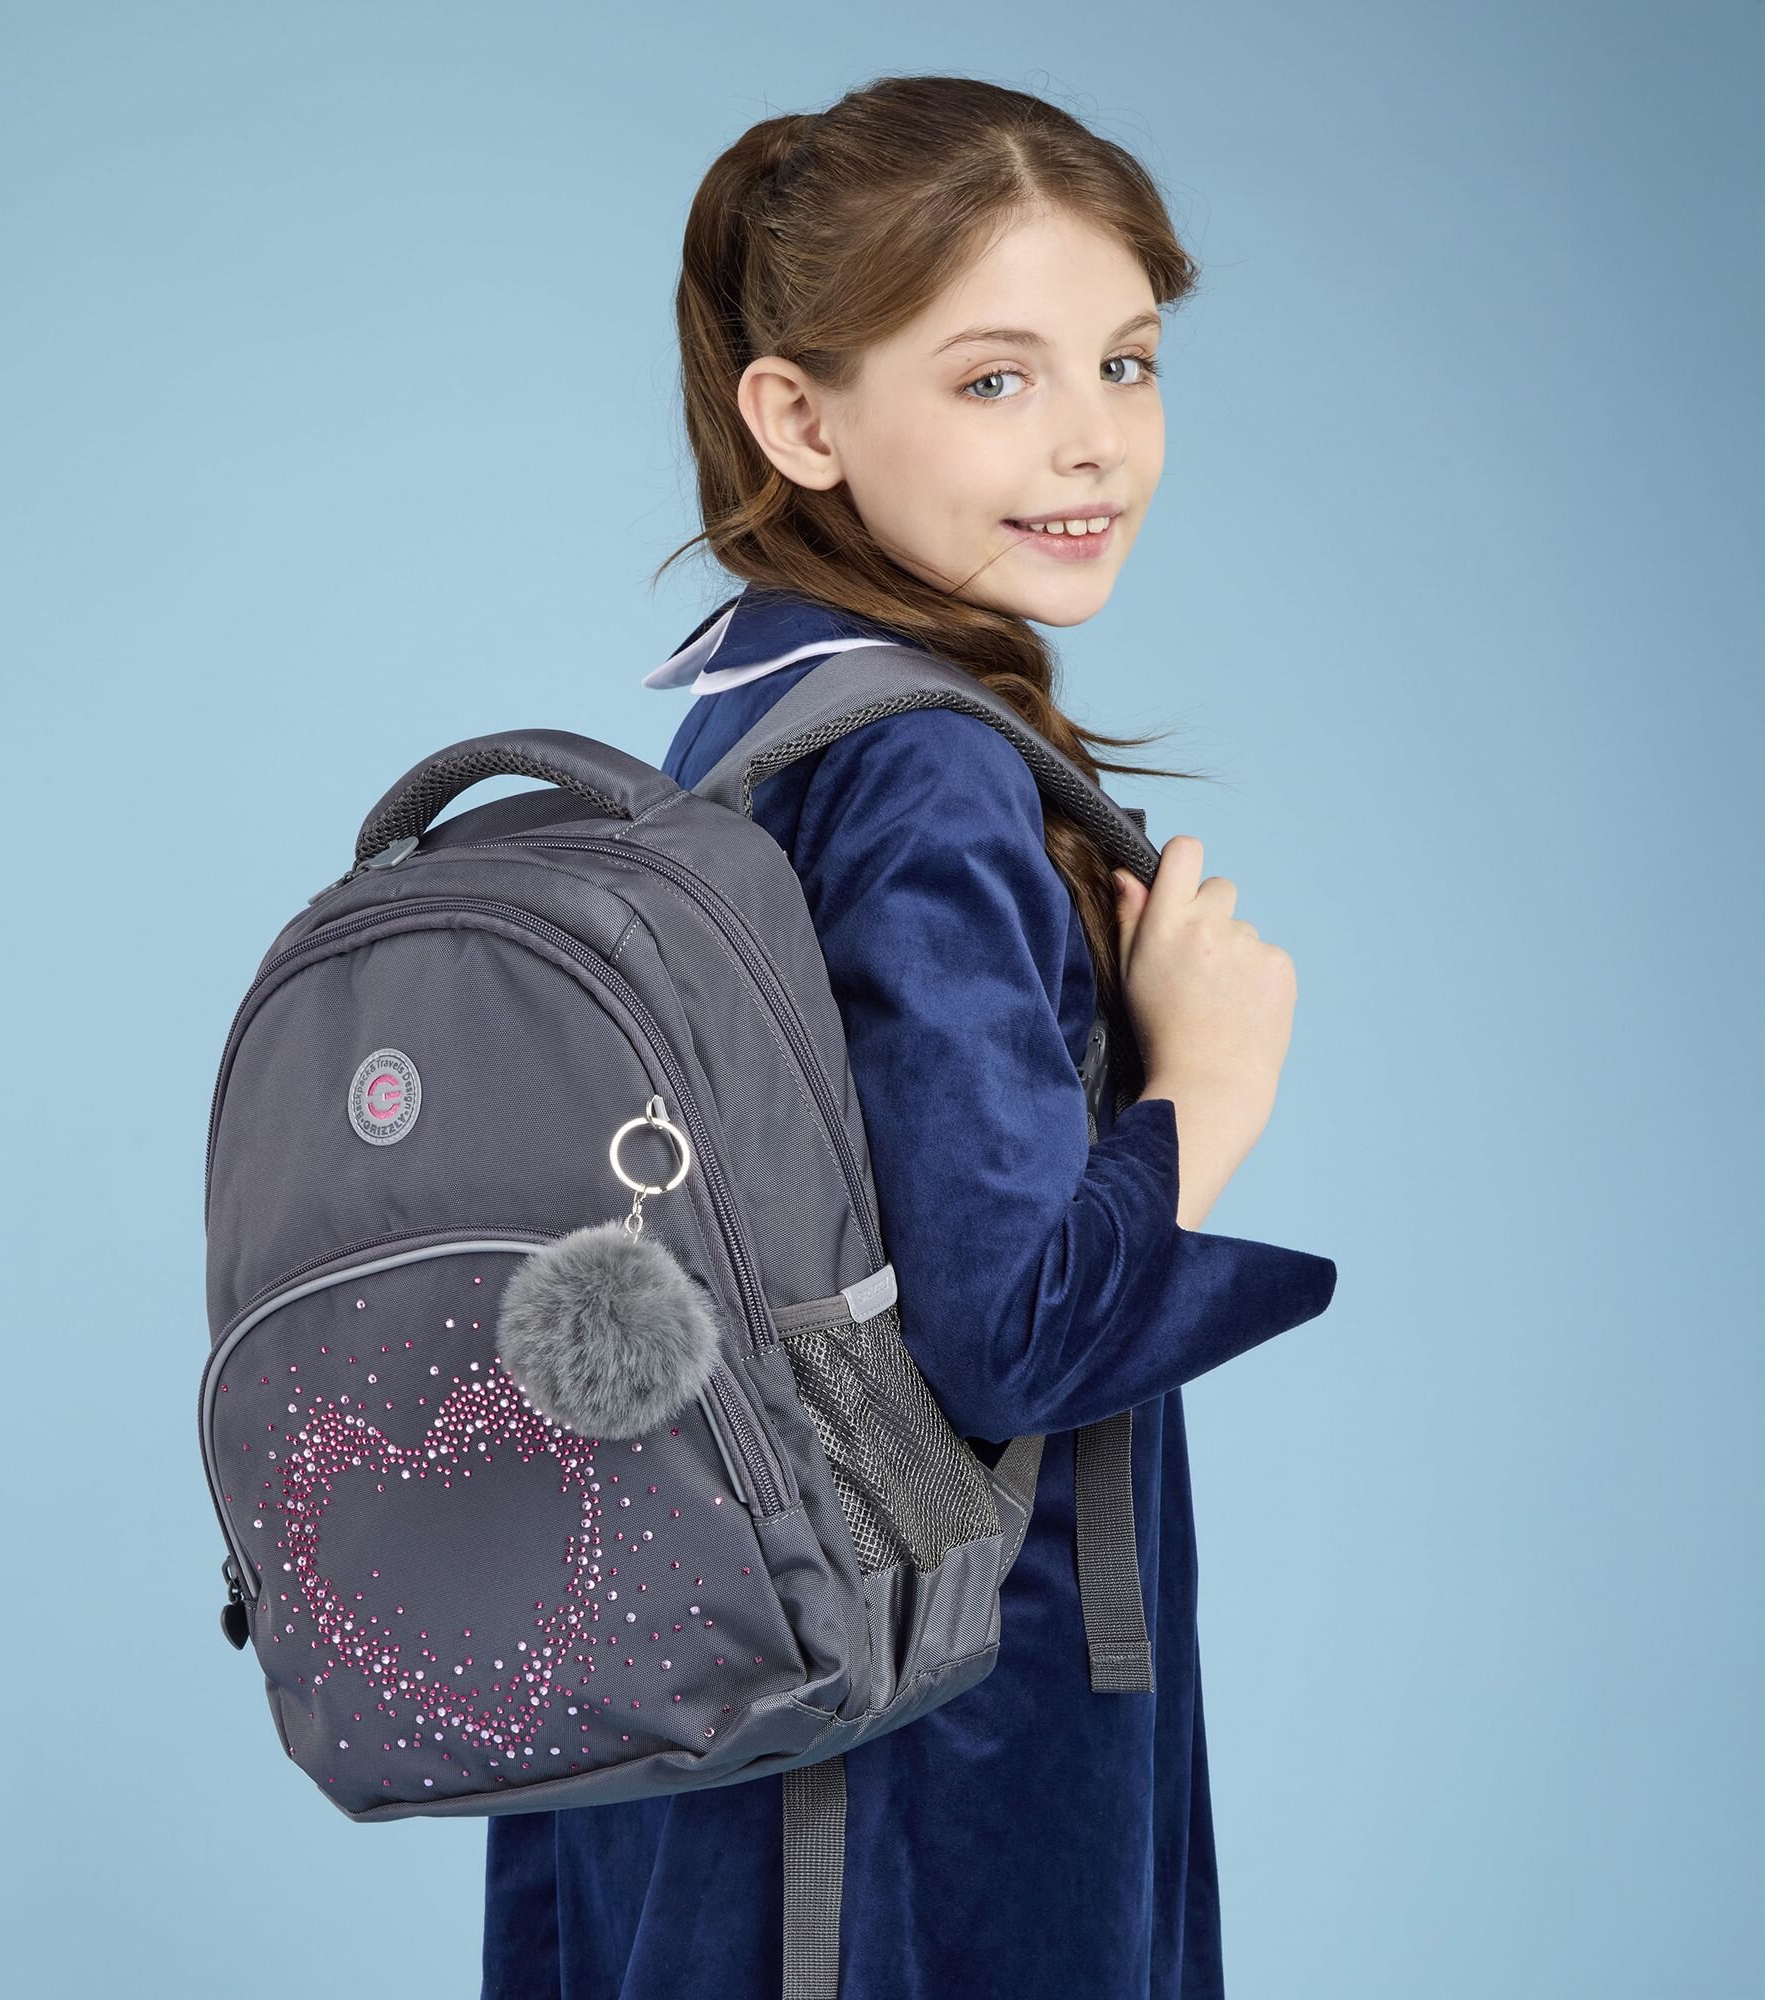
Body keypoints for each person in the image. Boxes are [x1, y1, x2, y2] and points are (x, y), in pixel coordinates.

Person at [482, 72, 1337, 2000]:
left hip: (724, 1689)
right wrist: (1207, 1089)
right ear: (800, 419)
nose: (1093, 438)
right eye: (995, 379)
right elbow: (1004, 1328)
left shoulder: (737, 727)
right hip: (925, 1758)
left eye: (1126, 362)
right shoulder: (925, 770)